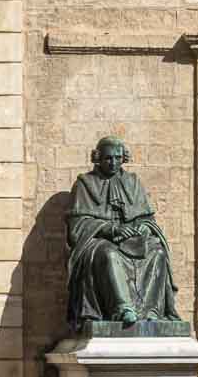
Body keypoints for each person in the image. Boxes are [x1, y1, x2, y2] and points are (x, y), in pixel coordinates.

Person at [65, 136, 180, 326]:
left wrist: (143, 227)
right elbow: (77, 225)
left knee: (157, 253)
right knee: (109, 255)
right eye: (108, 158)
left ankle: (150, 310)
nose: (113, 162)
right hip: (99, 240)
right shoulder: (84, 184)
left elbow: (146, 217)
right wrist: (109, 229)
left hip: (133, 238)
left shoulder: (133, 182)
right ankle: (123, 309)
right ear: (98, 158)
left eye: (118, 158)